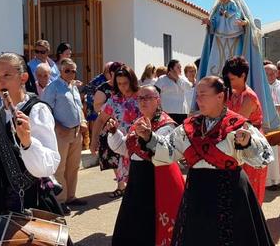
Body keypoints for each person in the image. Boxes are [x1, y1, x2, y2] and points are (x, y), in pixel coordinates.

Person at [137, 76, 275, 246]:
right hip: (197, 191)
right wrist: (149, 137)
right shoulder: (189, 126)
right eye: (197, 95)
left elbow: (264, 156)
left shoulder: (238, 125)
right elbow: (169, 150)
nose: (198, 100)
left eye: (203, 95)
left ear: (220, 96)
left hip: (230, 191)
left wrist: (247, 143)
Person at [0, 53, 63, 246]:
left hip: (31, 199)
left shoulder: (37, 110)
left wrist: (28, 142)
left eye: (7, 75)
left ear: (23, 77)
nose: (0, 81)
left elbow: (48, 167)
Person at [195, 0, 279, 130]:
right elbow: (214, 22)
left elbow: (239, 18)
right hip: (219, 42)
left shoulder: (233, 4)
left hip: (234, 40)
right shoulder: (218, 7)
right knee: (215, 71)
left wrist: (243, 23)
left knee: (231, 70)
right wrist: (209, 22)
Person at [106, 85, 185, 245]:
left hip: (158, 179)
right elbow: (126, 149)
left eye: (148, 98)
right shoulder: (138, 122)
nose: (143, 102)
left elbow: (160, 150)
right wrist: (114, 133)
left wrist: (149, 136)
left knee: (152, 225)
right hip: (138, 180)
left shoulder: (167, 125)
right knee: (133, 223)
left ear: (158, 100)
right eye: (140, 98)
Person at [42, 58, 88, 213]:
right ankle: (60, 201)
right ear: (60, 71)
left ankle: (71, 196)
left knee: (73, 166)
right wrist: (58, 126)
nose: (71, 73)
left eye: (73, 70)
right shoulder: (53, 87)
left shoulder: (73, 87)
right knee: (60, 168)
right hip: (61, 133)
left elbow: (79, 107)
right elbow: (45, 109)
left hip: (75, 132)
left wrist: (83, 122)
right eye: (67, 70)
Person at [223, 56, 268, 204]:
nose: (229, 82)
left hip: (251, 146)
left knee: (249, 190)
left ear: (243, 76)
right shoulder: (231, 92)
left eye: (232, 78)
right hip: (236, 143)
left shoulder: (249, 97)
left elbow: (234, 122)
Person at [94, 65, 142, 198]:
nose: (123, 87)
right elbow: (100, 120)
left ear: (132, 80)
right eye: (119, 84)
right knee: (131, 189)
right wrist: (93, 142)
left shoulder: (142, 96)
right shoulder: (114, 100)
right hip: (125, 148)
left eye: (125, 83)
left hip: (144, 147)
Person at [155, 59, 191, 125]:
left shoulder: (183, 79)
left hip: (182, 112)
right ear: (171, 68)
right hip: (167, 112)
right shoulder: (162, 79)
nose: (180, 69)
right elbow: (155, 94)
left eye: (180, 67)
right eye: (178, 67)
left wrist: (177, 78)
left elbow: (189, 87)